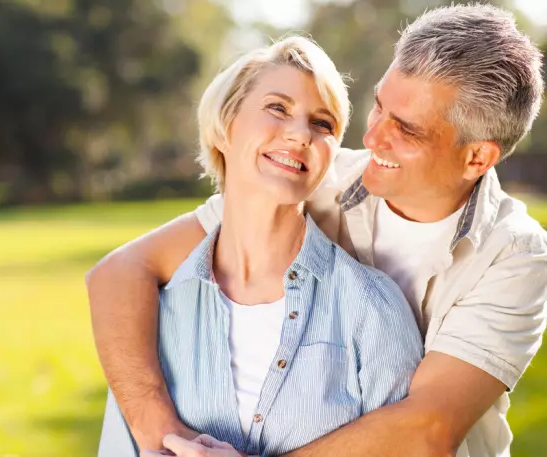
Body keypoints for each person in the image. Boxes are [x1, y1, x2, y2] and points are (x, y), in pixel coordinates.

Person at [87, 4, 547, 457]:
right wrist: (159, 434)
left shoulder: (514, 255)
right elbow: (123, 270)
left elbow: (427, 429)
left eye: (405, 130)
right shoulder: (317, 177)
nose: (371, 140)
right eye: (379, 108)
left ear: (476, 158)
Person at [97, 35, 423, 457]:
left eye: (323, 124)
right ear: (224, 127)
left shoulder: (372, 308)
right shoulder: (150, 313)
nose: (300, 134)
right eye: (278, 108)